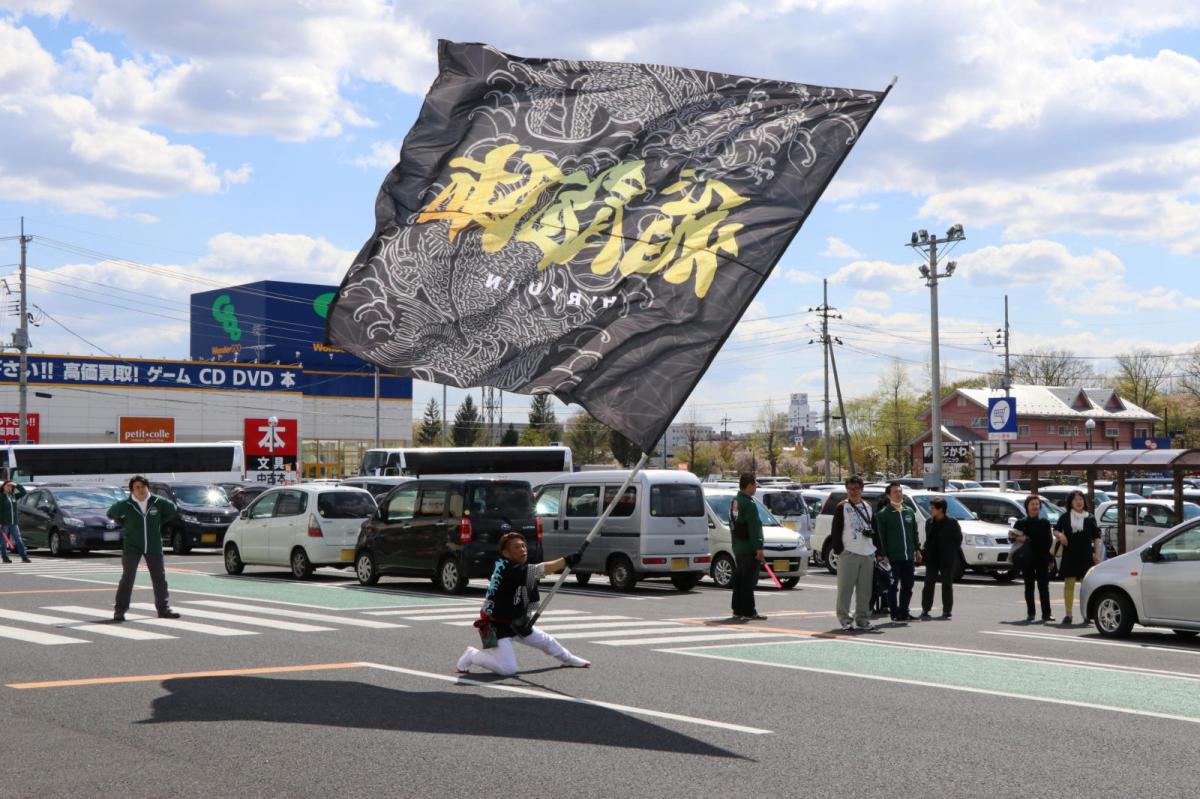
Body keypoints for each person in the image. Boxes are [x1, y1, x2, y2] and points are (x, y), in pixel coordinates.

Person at [456, 532, 590, 676]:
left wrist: (565, 562)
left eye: (523, 546)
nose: (523, 550)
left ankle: (568, 659)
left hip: (517, 622)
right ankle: (472, 654)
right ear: (506, 553)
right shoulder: (507, 569)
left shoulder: (515, 567)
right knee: (508, 669)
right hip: (497, 626)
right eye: (517, 547)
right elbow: (539, 570)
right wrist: (566, 560)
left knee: (546, 641)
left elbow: (535, 572)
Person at [108, 476, 181, 622]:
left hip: (153, 545)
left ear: (148, 487)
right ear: (132, 490)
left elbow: (172, 509)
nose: (140, 490)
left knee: (159, 578)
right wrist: (125, 524)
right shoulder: (127, 504)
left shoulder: (157, 502)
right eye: (137, 487)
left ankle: (163, 609)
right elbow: (111, 513)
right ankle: (120, 610)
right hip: (132, 546)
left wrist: (159, 522)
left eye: (143, 486)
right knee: (127, 579)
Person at [831, 475, 877, 631]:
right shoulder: (842, 507)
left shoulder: (868, 506)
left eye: (856, 488)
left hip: (867, 552)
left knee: (865, 591)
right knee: (845, 589)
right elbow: (835, 531)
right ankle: (845, 620)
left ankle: (862, 619)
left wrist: (879, 551)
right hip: (849, 552)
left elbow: (875, 529)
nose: (853, 492)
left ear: (862, 489)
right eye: (850, 488)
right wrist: (840, 551)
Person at [874, 482, 921, 623]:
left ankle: (904, 612)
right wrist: (883, 554)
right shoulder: (883, 514)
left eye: (900, 491)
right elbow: (880, 536)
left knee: (908, 585)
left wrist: (917, 549)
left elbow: (914, 532)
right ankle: (894, 613)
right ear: (888, 495)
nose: (898, 494)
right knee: (893, 586)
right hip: (892, 558)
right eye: (895, 492)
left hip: (908, 557)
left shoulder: (909, 512)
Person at [1053, 489, 1101, 625]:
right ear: (1071, 503)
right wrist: (1061, 535)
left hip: (1086, 555)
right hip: (1070, 554)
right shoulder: (1065, 517)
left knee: (1086, 586)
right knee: (1069, 585)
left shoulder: (1090, 517)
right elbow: (1055, 529)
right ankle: (1068, 615)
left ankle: (1087, 614)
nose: (1079, 502)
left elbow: (1096, 537)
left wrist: (1097, 555)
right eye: (1075, 500)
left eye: (1081, 499)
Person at [729, 473, 766, 622]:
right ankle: (749, 610)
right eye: (755, 485)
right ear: (749, 485)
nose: (756, 488)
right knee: (749, 581)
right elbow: (754, 526)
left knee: (740, 579)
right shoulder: (749, 503)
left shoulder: (735, 501)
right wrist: (759, 547)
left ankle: (737, 609)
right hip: (749, 547)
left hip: (738, 545)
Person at [1013, 495, 1054, 623]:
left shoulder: (1045, 522)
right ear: (1027, 507)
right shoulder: (1021, 522)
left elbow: (1049, 541)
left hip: (1042, 558)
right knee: (1029, 586)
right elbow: (1011, 536)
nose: (1035, 506)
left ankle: (1046, 614)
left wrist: (1050, 559)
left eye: (1037, 504)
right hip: (1027, 558)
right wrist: (1021, 538)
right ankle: (1031, 613)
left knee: (1044, 586)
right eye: (1032, 504)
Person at [919, 497, 961, 620]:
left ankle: (947, 610)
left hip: (946, 558)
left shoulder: (952, 522)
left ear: (941, 509)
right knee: (928, 583)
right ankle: (925, 608)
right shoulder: (929, 522)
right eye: (930, 507)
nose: (930, 510)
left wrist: (951, 551)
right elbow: (928, 538)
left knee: (947, 584)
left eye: (933, 508)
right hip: (932, 558)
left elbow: (958, 539)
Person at [0, 480, 31, 564]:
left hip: (14, 523)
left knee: (18, 539)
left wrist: (16, 484)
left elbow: (23, 492)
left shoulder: (13, 496)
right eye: (7, 486)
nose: (9, 487)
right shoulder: (1, 496)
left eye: (11, 486)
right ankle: (5, 558)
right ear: (3, 486)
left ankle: (24, 557)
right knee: (4, 541)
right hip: (4, 523)